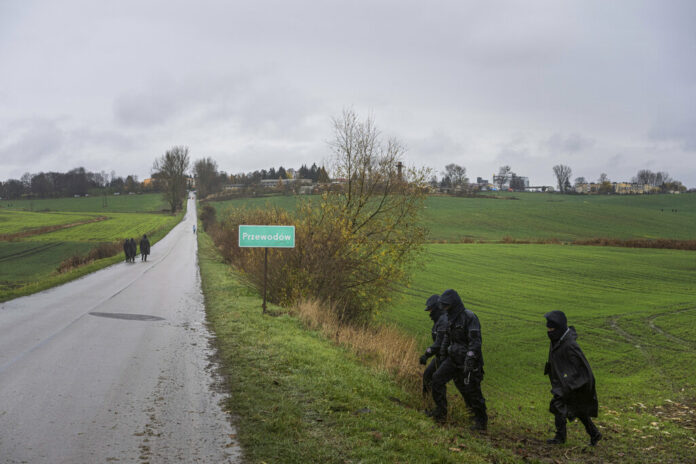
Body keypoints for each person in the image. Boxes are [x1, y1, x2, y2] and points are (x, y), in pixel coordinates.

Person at [429, 289, 488, 430]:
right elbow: (447, 338)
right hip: (453, 358)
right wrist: (443, 355)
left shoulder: (470, 317)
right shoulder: (450, 318)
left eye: (446, 305)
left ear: (454, 304)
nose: (444, 308)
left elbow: (476, 341)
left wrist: (470, 358)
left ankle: (480, 421)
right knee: (436, 379)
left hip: (469, 361)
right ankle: (440, 412)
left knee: (472, 390)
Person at [544, 310, 601, 446]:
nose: (549, 331)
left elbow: (583, 368)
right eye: (548, 328)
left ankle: (560, 437)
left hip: (574, 384)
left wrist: (571, 384)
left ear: (558, 328)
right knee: (579, 409)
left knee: (558, 405)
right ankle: (594, 433)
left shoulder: (570, 345)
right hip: (564, 382)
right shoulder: (557, 340)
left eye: (551, 328)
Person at [419, 294, 447, 397]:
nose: (429, 313)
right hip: (441, 356)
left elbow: (439, 342)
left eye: (430, 310)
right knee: (428, 375)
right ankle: (427, 401)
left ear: (437, 308)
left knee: (437, 380)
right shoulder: (439, 320)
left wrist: (427, 354)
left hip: (448, 357)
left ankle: (441, 409)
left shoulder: (444, 321)